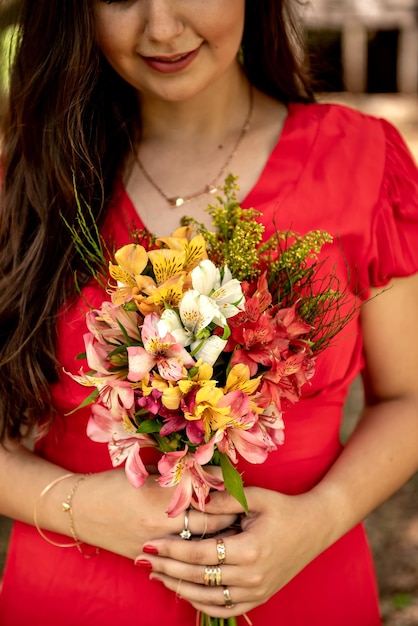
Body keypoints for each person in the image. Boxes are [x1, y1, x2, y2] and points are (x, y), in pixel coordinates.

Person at [0, 1, 418, 624]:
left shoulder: (359, 159)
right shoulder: (27, 175)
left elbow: (407, 397)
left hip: (305, 584)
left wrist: (319, 519)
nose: (163, 29)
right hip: (75, 593)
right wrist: (80, 508)